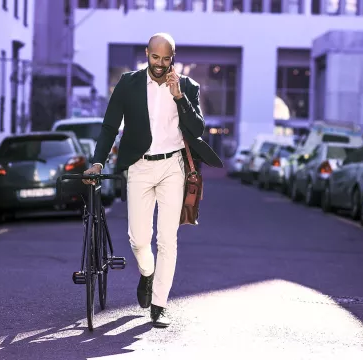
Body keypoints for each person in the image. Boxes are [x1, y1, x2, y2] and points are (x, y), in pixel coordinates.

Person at [83, 33, 223, 328]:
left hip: (173, 166)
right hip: (140, 166)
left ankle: (159, 305)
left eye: (166, 58)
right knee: (138, 238)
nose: (160, 64)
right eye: (155, 57)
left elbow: (197, 127)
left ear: (174, 57)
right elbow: (110, 126)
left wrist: (179, 97)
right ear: (147, 53)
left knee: (167, 239)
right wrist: (98, 161)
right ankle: (147, 273)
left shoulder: (187, 86)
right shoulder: (128, 83)